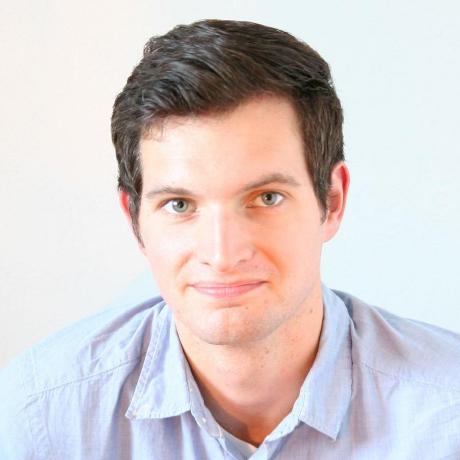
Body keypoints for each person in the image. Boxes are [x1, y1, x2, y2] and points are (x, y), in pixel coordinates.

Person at [1, 19, 459, 460]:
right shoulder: (39, 419)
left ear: (332, 201)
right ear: (135, 220)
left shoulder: (448, 413)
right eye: (179, 204)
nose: (222, 254)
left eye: (266, 198)